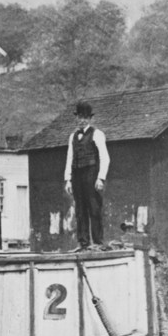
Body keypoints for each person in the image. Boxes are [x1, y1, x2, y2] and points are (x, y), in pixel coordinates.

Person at [63, 101, 110, 250]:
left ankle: (97, 242)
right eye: (79, 117)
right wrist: (68, 180)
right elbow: (69, 158)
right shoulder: (72, 137)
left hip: (91, 174)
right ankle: (83, 243)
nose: (82, 120)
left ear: (90, 119)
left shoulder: (97, 134)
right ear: (76, 118)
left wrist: (101, 177)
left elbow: (105, 157)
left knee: (94, 208)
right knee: (80, 210)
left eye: (85, 117)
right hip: (77, 175)